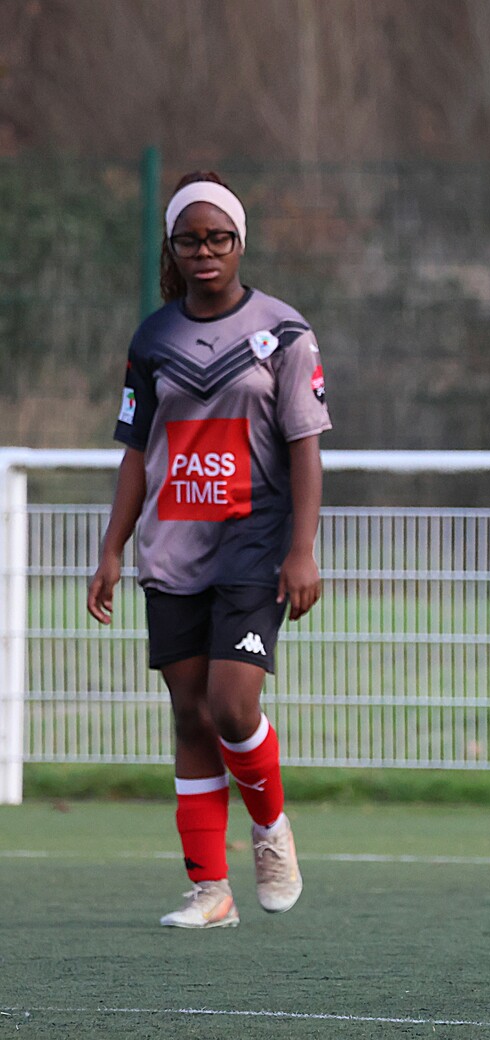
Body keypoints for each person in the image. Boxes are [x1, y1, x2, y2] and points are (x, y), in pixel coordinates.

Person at [88, 171, 331, 929]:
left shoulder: (283, 332)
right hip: (173, 547)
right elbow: (137, 453)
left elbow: (306, 447)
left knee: (231, 704)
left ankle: (271, 829)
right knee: (190, 716)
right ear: (172, 248)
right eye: (189, 240)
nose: (205, 251)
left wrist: (302, 549)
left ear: (239, 242)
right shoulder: (152, 338)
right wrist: (112, 548)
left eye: (218, 238)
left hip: (254, 543)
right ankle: (210, 890)